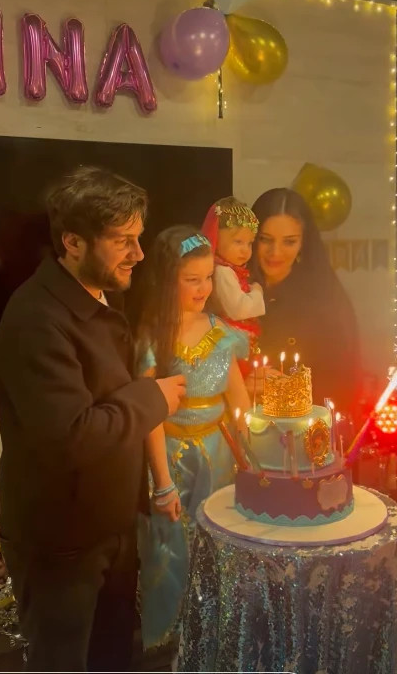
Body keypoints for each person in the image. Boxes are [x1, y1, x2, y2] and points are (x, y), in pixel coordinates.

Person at [0, 166, 186, 673]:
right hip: (62, 543)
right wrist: (153, 398)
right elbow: (72, 437)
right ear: (73, 242)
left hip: (109, 528)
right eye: (123, 241)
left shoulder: (96, 295)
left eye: (138, 237)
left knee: (112, 656)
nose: (139, 254)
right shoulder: (36, 320)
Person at [136, 224, 250, 649]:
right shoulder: (153, 337)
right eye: (192, 280)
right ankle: (172, 638)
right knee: (172, 548)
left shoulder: (220, 331)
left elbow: (239, 401)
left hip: (219, 457)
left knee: (219, 543)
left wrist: (255, 455)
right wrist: (162, 482)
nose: (204, 289)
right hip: (171, 457)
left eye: (208, 278)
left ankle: (217, 634)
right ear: (168, 282)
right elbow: (149, 416)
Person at [250, 187, 361, 416]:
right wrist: (240, 383)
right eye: (265, 239)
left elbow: (340, 381)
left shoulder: (323, 299)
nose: (275, 252)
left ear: (303, 243)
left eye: (289, 242)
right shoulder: (230, 287)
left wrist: (286, 391)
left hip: (300, 426)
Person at [201, 196, 265, 376]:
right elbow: (238, 309)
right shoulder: (223, 272)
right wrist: (257, 292)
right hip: (230, 344)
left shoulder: (232, 270)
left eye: (249, 243)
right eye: (238, 242)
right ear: (217, 237)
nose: (245, 250)